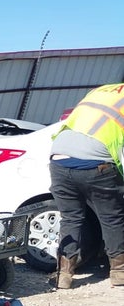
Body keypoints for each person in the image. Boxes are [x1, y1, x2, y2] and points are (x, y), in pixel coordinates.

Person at [49, 83, 124, 289]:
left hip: (58, 159)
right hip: (95, 164)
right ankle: (119, 272)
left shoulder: (102, 90)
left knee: (71, 218)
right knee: (111, 218)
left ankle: (64, 275)